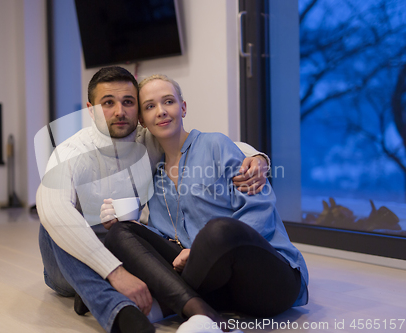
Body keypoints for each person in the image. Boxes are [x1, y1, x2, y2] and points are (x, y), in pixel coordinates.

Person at [36, 67, 271, 333]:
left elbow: (211, 145)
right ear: (91, 110)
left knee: (132, 235)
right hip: (71, 265)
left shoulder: (148, 140)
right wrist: (114, 272)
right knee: (55, 220)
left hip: (122, 250)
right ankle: (117, 309)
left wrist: (259, 159)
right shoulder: (71, 151)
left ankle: (110, 294)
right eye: (108, 103)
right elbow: (53, 209)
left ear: (138, 110)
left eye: (128, 102)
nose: (119, 111)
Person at [102, 74, 309, 332]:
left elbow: (260, 208)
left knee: (219, 230)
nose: (162, 112)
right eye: (150, 106)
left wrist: (199, 251)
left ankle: (165, 305)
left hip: (268, 280)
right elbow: (163, 233)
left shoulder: (215, 145)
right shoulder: (154, 174)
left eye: (169, 101)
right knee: (120, 232)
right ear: (142, 120)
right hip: (216, 287)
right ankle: (204, 314)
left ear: (183, 107)